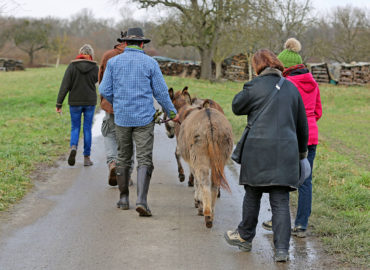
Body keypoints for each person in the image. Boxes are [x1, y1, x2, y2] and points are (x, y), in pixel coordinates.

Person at [224, 49, 308, 262]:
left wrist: (249, 86)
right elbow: (302, 125)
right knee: (280, 200)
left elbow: (236, 106)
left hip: (257, 151)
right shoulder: (291, 88)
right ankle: (281, 250)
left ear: (257, 67)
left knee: (252, 195)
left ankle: (244, 236)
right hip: (286, 153)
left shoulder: (253, 86)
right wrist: (302, 155)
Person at [99, 27, 179, 217]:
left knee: (123, 156)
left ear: (125, 43)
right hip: (144, 118)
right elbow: (160, 92)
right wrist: (172, 112)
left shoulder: (114, 62)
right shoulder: (150, 63)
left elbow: (104, 89)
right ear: (142, 44)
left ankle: (124, 198)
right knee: (144, 158)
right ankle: (142, 200)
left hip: (122, 118)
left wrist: (117, 103)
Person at [262, 38, 322, 238]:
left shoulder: (284, 84)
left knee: (280, 179)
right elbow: (318, 112)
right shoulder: (313, 82)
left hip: (288, 136)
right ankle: (301, 225)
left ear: (284, 67)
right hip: (311, 137)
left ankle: (277, 220)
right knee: (306, 180)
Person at [99, 31, 135, 186]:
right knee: (128, 138)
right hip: (131, 107)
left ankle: (113, 163)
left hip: (112, 105)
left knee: (109, 134)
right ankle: (126, 174)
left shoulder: (108, 56)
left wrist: (105, 101)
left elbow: (101, 80)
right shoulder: (140, 57)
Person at [56, 44, 98, 167]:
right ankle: (86, 157)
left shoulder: (72, 66)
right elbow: (99, 82)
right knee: (87, 128)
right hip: (90, 102)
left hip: (74, 101)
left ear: (80, 53)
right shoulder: (95, 67)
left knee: (75, 127)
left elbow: (65, 86)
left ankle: (73, 147)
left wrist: (59, 103)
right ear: (91, 55)